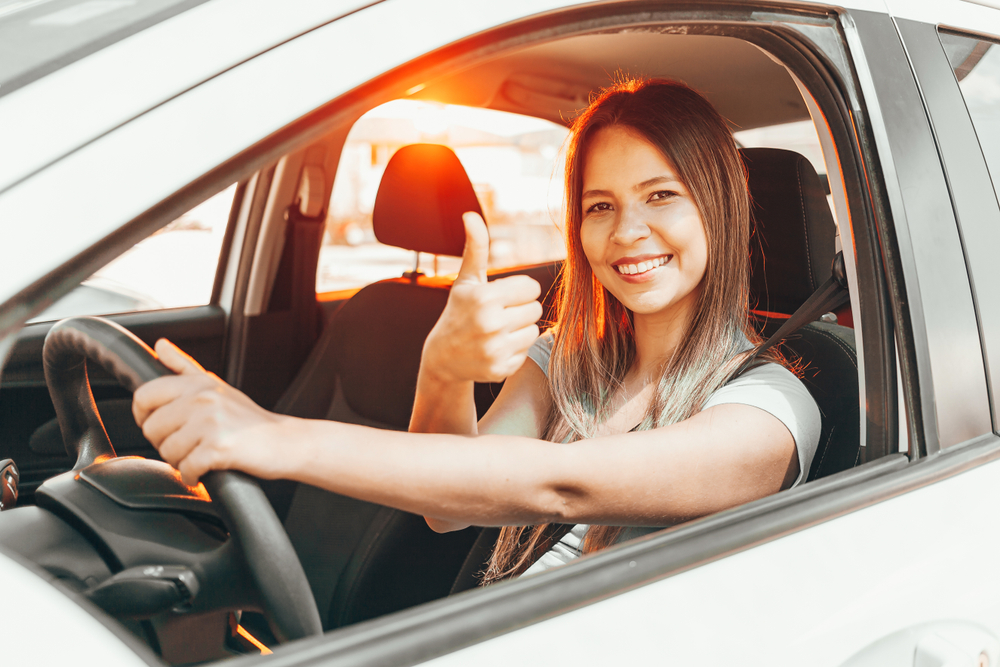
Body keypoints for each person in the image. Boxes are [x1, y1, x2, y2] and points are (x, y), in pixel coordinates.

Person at [133, 78, 820, 584]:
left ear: (719, 205)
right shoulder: (567, 362)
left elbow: (558, 485)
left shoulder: (771, 411)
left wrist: (272, 436)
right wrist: (444, 365)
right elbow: (451, 510)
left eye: (661, 195)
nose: (627, 232)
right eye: (600, 205)